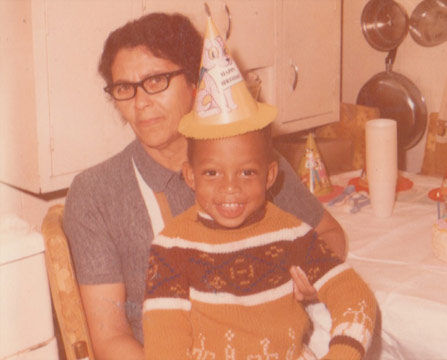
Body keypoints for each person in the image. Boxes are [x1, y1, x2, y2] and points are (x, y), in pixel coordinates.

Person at [63, 12, 346, 359]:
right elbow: (110, 339)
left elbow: (331, 234)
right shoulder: (96, 193)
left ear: (194, 84)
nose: (140, 102)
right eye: (125, 88)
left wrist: (306, 278)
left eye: (156, 81)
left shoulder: (250, 161)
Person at [143, 126, 377, 360]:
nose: (230, 188)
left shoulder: (290, 234)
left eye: (247, 173)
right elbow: (164, 342)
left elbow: (354, 293)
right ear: (191, 175)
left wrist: (343, 353)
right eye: (212, 173)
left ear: (270, 175)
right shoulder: (172, 248)